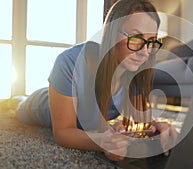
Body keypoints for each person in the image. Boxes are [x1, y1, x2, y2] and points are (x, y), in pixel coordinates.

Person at [4, 0, 178, 161]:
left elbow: (143, 123)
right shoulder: (69, 61)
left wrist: (157, 127)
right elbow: (63, 132)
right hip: (42, 104)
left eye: (151, 42)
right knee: (20, 106)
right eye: (135, 38)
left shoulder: (135, 72)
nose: (145, 52)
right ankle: (14, 100)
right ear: (110, 31)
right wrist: (103, 142)